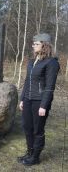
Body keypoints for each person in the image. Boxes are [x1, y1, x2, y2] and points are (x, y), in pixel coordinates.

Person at [17, 33, 60, 166]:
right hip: (28, 99)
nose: (33, 45)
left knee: (37, 130)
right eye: (33, 43)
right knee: (27, 126)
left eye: (36, 43)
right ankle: (29, 153)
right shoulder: (32, 61)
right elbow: (26, 81)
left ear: (45, 45)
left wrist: (44, 105)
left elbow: (49, 86)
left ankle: (35, 157)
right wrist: (22, 99)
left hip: (39, 101)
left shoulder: (51, 62)